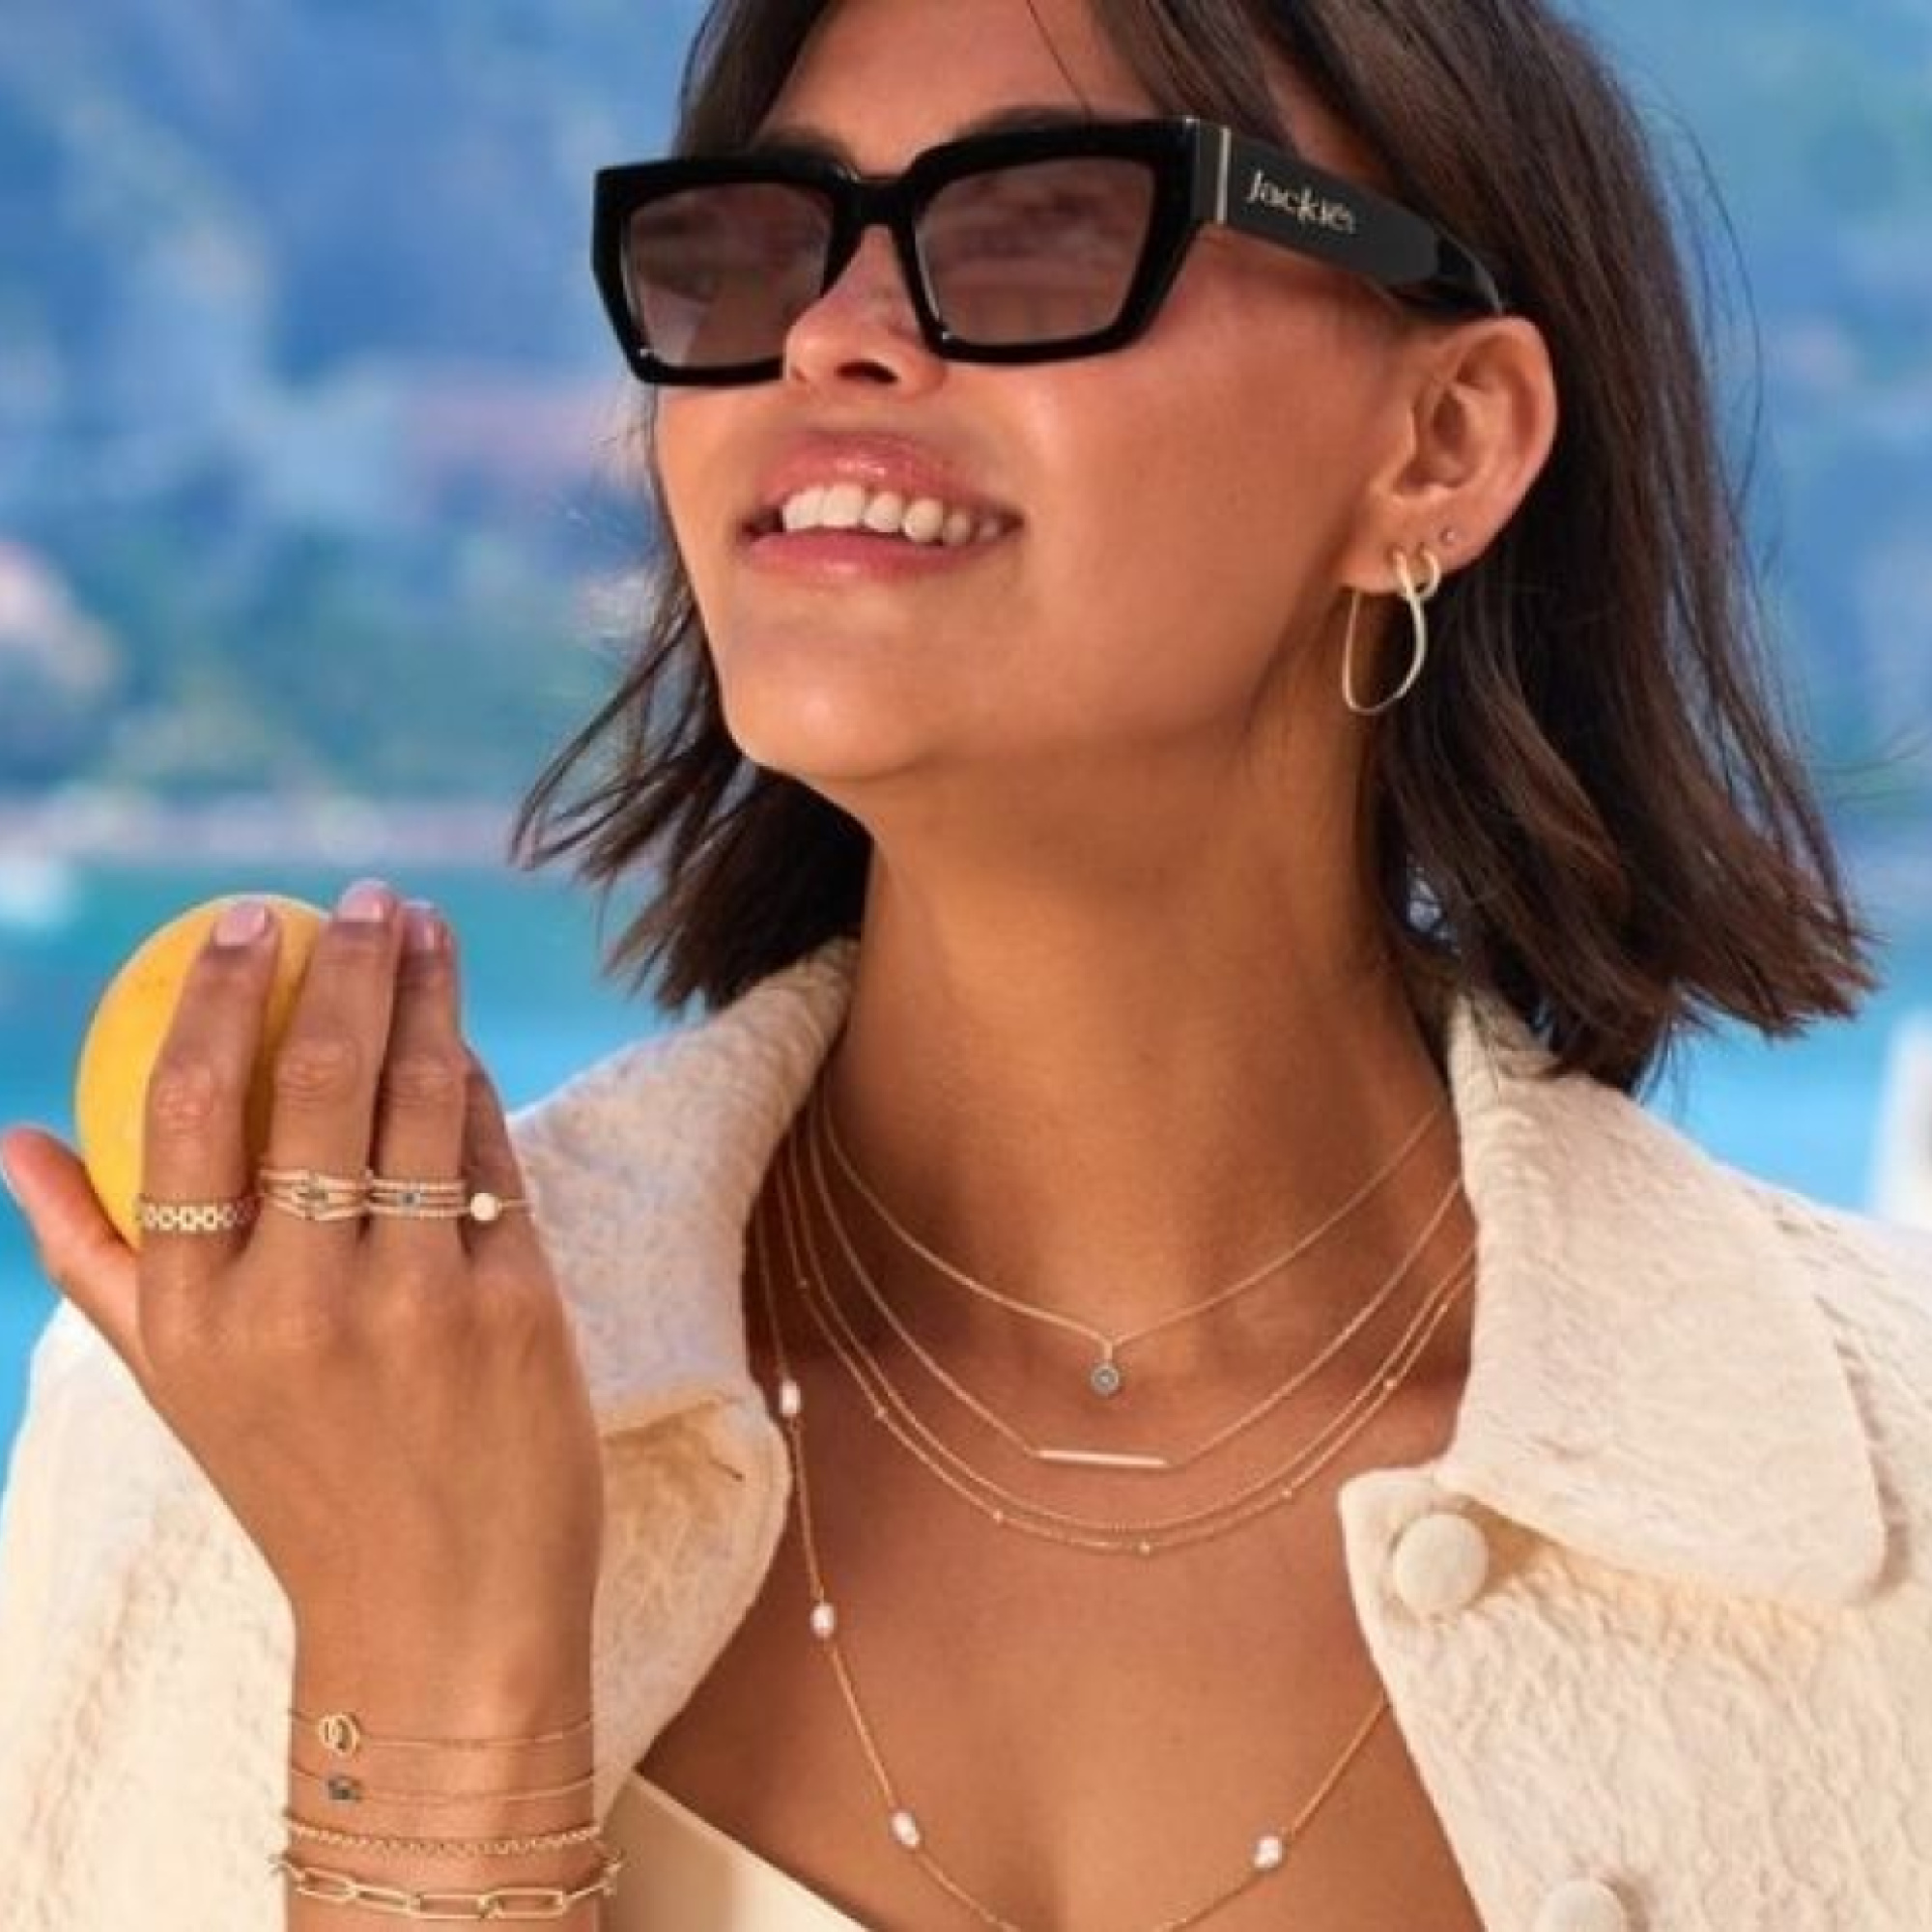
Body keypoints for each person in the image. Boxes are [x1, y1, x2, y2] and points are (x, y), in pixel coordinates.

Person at [2, 0, 1929, 1925]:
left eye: (1043, 224)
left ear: (1440, 440)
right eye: (756, 245)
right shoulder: (233, 1429)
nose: (827, 332)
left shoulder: (1891, 1518)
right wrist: (429, 1701)